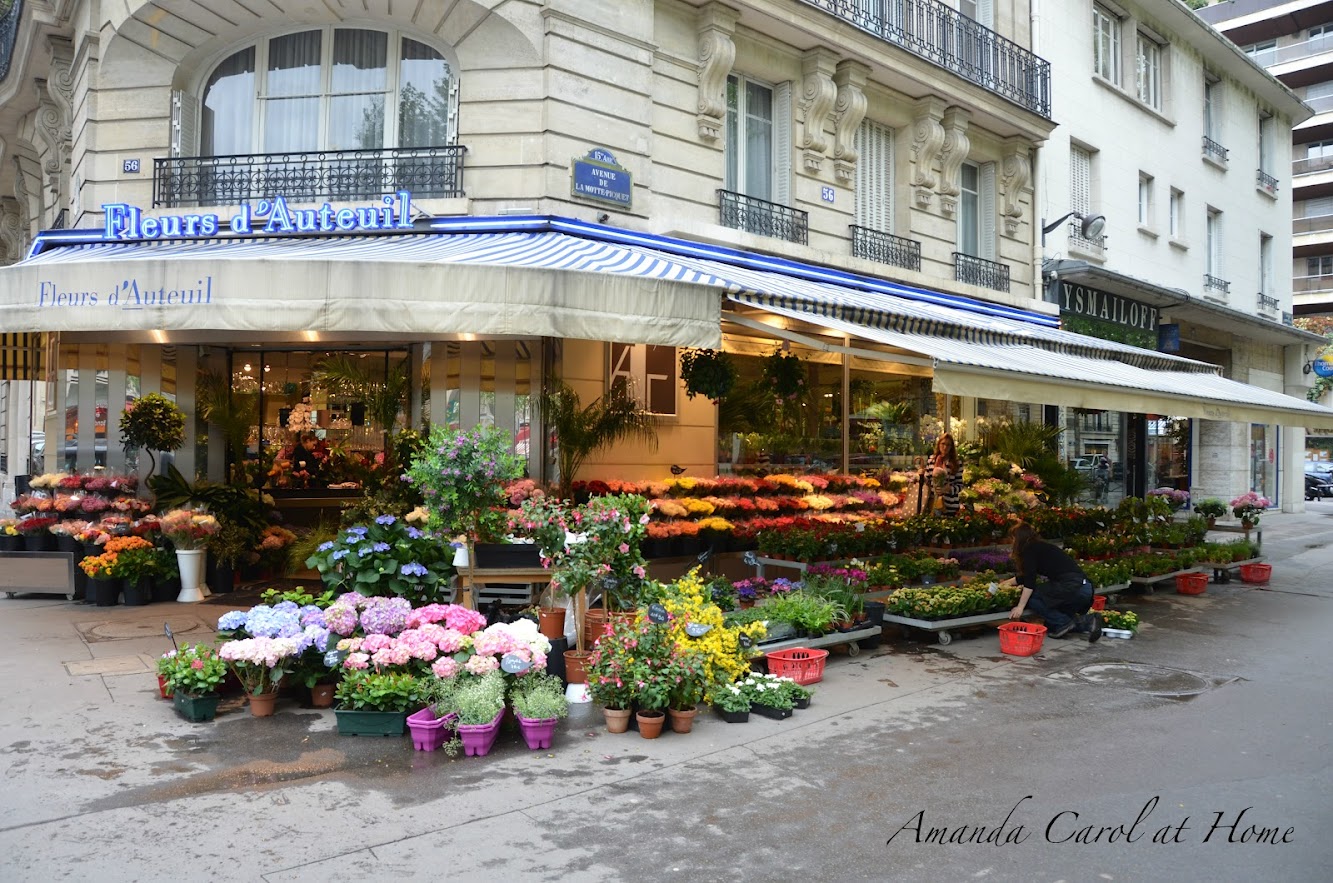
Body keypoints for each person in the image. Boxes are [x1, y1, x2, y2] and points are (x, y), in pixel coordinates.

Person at [1000, 522, 1102, 641]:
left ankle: (1075, 622)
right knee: (1052, 625)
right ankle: (1086, 622)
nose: (1012, 543)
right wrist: (1004, 584)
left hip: (1071, 588)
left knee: (1033, 598)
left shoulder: (1029, 549)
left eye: (1012, 539)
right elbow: (1026, 576)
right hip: (1085, 589)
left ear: (1018, 539)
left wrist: (1020, 607)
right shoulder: (1041, 547)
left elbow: (1030, 582)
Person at [930, 433, 963, 516]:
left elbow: (960, 485)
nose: (945, 447)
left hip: (950, 505)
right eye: (943, 444)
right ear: (939, 444)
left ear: (951, 447)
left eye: (948, 445)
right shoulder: (931, 461)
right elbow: (927, 481)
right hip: (933, 504)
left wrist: (949, 489)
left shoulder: (956, 463)